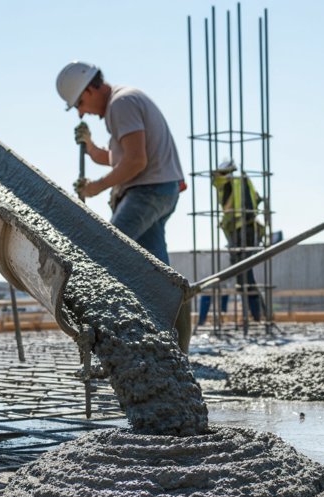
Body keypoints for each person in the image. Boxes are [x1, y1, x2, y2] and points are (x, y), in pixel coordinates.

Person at [55, 61, 192, 351]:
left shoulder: (121, 103)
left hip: (147, 192)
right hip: (158, 191)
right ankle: (175, 348)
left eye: (80, 103)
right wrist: (91, 148)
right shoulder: (121, 105)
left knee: (107, 254)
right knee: (159, 274)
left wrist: (96, 187)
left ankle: (111, 346)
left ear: (92, 89)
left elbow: (135, 161)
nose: (81, 112)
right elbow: (120, 157)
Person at [197, 159, 267, 325]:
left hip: (244, 231)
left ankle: (258, 316)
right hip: (237, 231)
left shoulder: (236, 182)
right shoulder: (233, 183)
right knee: (242, 277)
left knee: (245, 276)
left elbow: (249, 205)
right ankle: (258, 315)